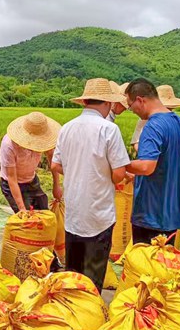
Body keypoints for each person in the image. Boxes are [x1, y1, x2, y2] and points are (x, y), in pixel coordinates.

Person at [50, 78, 130, 290]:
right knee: (93, 279)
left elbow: (55, 164)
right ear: (107, 103)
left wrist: (78, 171)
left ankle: (71, 309)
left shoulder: (67, 128)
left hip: (74, 214)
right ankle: (91, 312)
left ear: (85, 102)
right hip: (99, 215)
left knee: (73, 275)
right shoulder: (109, 130)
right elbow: (120, 173)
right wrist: (103, 175)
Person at [125, 78, 180, 244]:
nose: (132, 110)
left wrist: (119, 163)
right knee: (166, 264)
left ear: (140, 100)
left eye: (130, 105)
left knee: (146, 265)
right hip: (172, 213)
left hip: (151, 213)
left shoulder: (152, 126)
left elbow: (146, 166)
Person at [0, 112, 63, 213]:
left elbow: (52, 158)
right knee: (28, 218)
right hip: (12, 183)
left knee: (44, 211)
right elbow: (12, 179)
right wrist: (22, 208)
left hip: (31, 180)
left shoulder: (44, 140)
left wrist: (56, 185)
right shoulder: (9, 145)